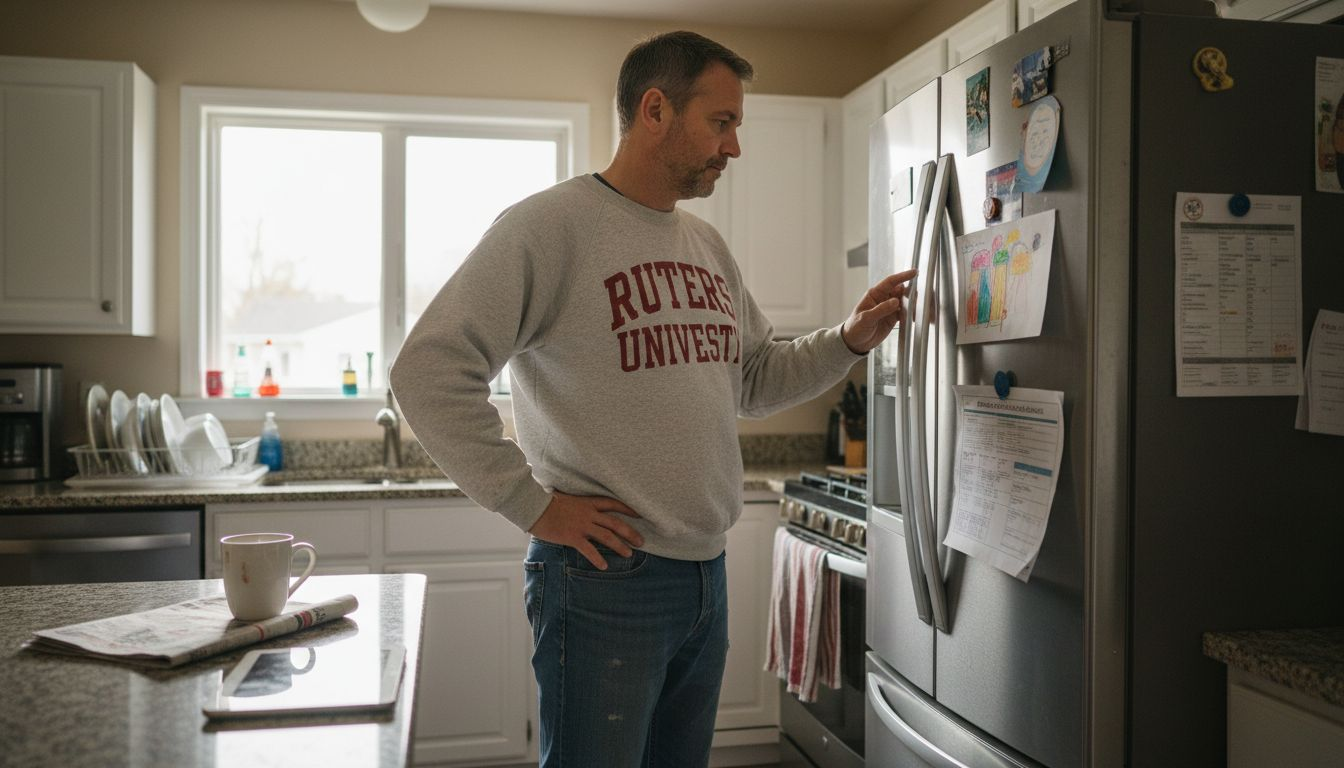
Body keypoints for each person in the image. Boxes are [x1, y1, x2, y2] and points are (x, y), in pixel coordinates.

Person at [389, 30, 915, 768]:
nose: (734, 147)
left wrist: (850, 339)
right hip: (605, 577)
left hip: (706, 572)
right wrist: (533, 505)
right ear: (656, 109)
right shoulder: (547, 228)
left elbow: (756, 377)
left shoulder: (704, 245)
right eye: (722, 122)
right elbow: (427, 369)